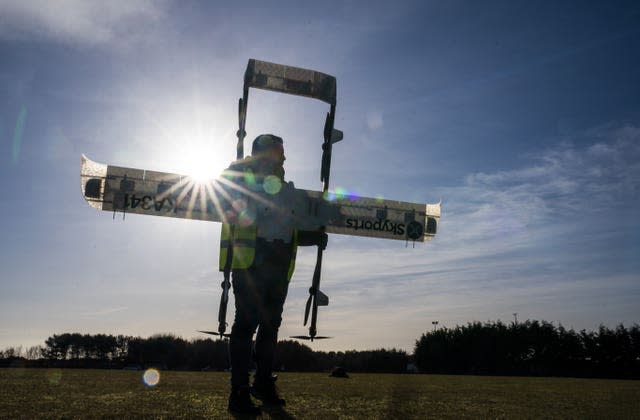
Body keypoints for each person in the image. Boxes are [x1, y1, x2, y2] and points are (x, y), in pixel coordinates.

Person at [219, 134, 326, 414]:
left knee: (271, 326)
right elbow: (221, 188)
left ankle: (263, 384)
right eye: (280, 151)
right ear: (264, 153)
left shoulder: (288, 191)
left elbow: (290, 231)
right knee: (245, 325)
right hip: (251, 261)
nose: (285, 157)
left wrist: (313, 237)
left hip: (279, 265)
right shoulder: (242, 178)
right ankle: (239, 392)